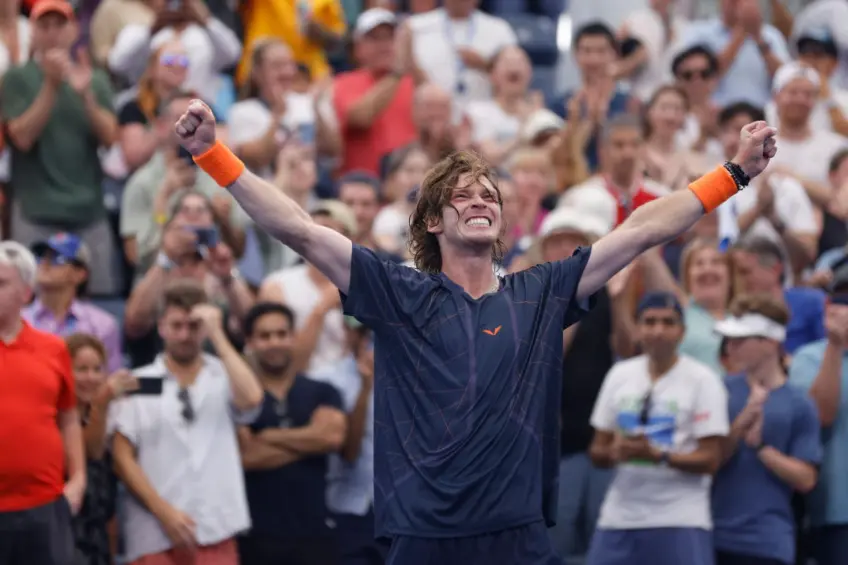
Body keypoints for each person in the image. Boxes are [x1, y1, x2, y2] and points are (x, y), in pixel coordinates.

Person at [174, 97, 778, 564]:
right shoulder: (398, 290)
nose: (481, 199)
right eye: (462, 196)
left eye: (488, 193)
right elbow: (302, 229)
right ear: (433, 221)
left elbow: (642, 229)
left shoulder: (540, 292)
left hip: (515, 533)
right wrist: (213, 156)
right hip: (421, 533)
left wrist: (734, 173)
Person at [111, 281, 263, 565]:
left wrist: (217, 334)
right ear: (161, 327)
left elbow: (253, 398)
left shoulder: (223, 373)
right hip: (154, 530)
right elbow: (121, 457)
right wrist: (163, 511)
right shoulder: (139, 381)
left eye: (193, 327)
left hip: (216, 527)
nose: (184, 335)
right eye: (176, 325)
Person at [586, 292, 728, 565]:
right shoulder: (620, 375)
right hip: (619, 517)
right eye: (649, 322)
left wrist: (659, 456)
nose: (658, 331)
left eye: (667, 322)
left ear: (682, 332)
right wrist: (615, 452)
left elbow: (711, 459)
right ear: (638, 328)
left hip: (680, 517)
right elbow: (597, 450)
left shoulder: (703, 380)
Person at [712, 294, 821, 565]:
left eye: (741, 340)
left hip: (767, 543)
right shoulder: (720, 389)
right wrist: (742, 423)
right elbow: (708, 461)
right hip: (711, 538)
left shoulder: (799, 403)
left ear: (770, 342)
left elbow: (806, 479)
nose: (730, 347)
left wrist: (761, 448)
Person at [0, 240, 84, 565]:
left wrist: (77, 480)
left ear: (25, 292)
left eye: (2, 283)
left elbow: (69, 416)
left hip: (45, 504)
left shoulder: (53, 349)